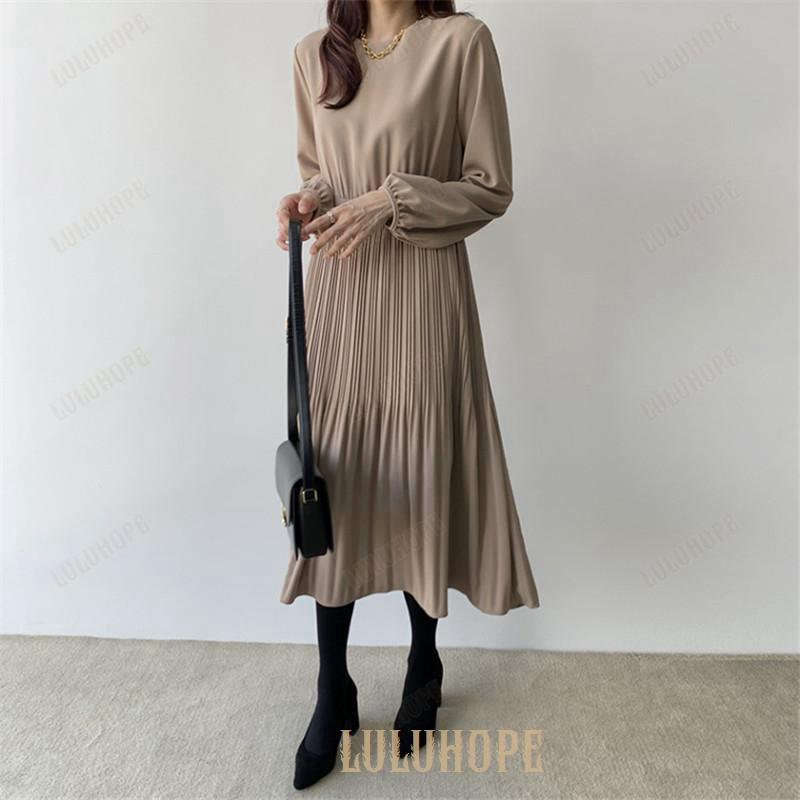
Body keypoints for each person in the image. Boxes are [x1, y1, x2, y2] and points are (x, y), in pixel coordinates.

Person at [275, 0, 540, 789]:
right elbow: (319, 172)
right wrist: (306, 202)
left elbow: (489, 188)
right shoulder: (313, 53)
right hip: (339, 296)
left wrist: (390, 201)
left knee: (423, 471)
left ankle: (425, 659)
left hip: (425, 294)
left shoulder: (462, 44)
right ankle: (333, 689)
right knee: (333, 482)